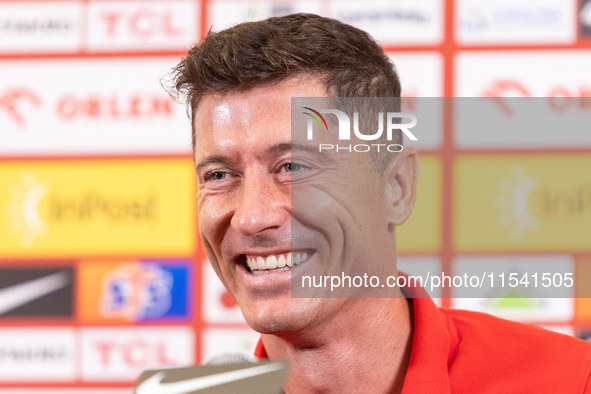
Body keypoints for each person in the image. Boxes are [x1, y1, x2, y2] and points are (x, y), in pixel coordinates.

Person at [170, 13, 591, 393]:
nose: (251, 216)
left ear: (397, 188)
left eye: (294, 166)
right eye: (220, 175)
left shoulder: (570, 381)